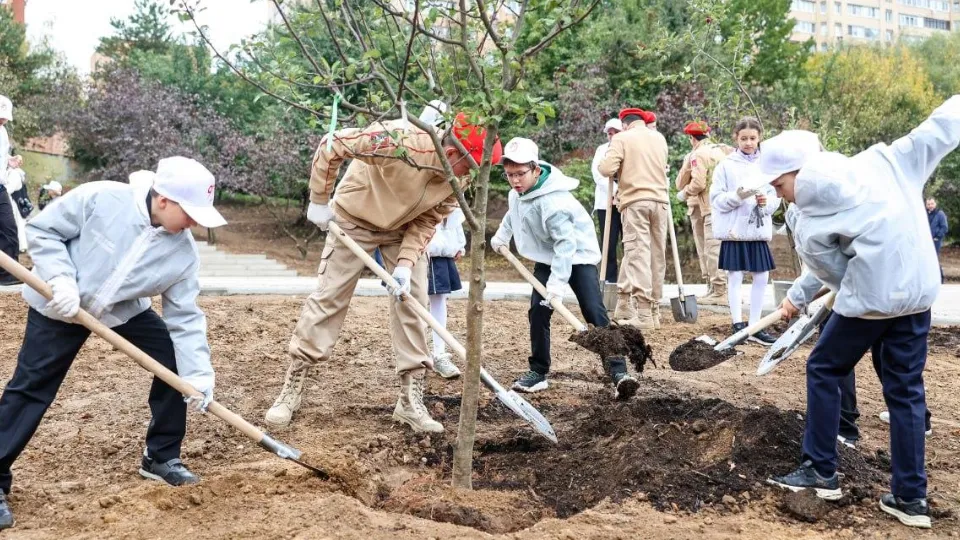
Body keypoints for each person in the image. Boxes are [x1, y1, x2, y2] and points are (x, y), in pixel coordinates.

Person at [763, 95, 960, 530]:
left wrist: (804, 294)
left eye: (779, 185)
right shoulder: (886, 161)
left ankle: (820, 470)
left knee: (824, 367)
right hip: (919, 294)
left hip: (871, 302)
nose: (779, 194)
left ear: (797, 171)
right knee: (905, 390)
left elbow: (833, 275)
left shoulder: (810, 221)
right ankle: (910, 498)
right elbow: (941, 127)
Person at [0, 157, 226, 531]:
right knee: (31, 388)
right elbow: (43, 230)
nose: (195, 223)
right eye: (191, 213)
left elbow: (185, 317)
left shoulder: (182, 253)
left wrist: (198, 375)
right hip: (59, 301)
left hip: (119, 311)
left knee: (172, 360)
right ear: (164, 200)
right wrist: (61, 279)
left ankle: (161, 457)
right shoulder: (101, 198)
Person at [264, 113, 502, 434]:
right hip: (354, 219)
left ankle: (409, 400)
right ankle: (293, 385)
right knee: (329, 298)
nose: (473, 175)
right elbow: (332, 144)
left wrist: (404, 264)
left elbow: (429, 218)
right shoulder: (397, 140)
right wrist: (319, 200)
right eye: (471, 166)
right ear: (449, 155)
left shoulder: (461, 177)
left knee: (414, 304)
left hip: (403, 231)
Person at [491, 137, 639, 399]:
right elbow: (513, 212)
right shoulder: (518, 192)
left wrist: (556, 286)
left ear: (536, 169)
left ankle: (619, 373)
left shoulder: (554, 202)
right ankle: (538, 372)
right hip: (548, 258)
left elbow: (566, 246)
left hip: (577, 256)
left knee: (594, 311)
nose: (515, 180)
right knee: (538, 311)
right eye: (509, 174)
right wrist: (502, 236)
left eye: (520, 174)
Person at [709, 117, 779, 344]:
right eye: (744, 138)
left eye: (753, 138)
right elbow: (716, 199)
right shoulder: (726, 165)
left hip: (757, 228)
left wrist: (764, 203)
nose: (748, 143)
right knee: (735, 275)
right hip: (735, 229)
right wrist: (738, 196)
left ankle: (756, 325)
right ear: (736, 138)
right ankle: (738, 324)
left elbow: (776, 195)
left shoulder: (768, 165)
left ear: (759, 138)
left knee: (761, 275)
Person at [598, 108, 670, 330]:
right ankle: (654, 310)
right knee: (656, 256)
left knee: (638, 253)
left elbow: (606, 168)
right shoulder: (659, 138)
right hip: (660, 201)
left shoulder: (621, 138)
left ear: (625, 124)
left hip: (636, 201)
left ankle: (644, 314)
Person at [676, 121, 732, 304]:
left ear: (691, 138)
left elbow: (697, 183)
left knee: (711, 247)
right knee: (715, 246)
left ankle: (719, 290)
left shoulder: (697, 154)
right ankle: (716, 288)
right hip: (722, 204)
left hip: (708, 205)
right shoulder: (721, 150)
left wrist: (684, 193)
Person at [425, 206, 465, 379]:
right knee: (412, 303)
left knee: (439, 301)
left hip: (442, 257)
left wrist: (459, 245)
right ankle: (416, 355)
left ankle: (439, 354)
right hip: (420, 253)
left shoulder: (453, 195)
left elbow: (455, 220)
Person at [591, 118, 623, 284]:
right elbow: (598, 174)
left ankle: (628, 281)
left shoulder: (629, 148)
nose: (612, 136)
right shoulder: (601, 150)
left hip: (626, 203)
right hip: (606, 203)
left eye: (615, 133)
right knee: (608, 245)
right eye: (610, 133)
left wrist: (621, 193)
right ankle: (609, 281)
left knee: (629, 244)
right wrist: (615, 192)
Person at [0, 96, 24, 286]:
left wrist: (10, 160)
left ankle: (7, 274)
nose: (2, 120)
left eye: (5, 117)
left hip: (0, 187)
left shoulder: (3, 133)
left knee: (9, 227)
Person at [926, 197, 947, 282]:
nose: (930, 205)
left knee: (934, 259)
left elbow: (944, 227)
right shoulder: (924, 214)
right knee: (927, 260)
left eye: (932, 203)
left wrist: (937, 237)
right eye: (928, 204)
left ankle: (941, 278)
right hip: (926, 241)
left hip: (935, 241)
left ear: (935, 204)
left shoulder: (940, 214)